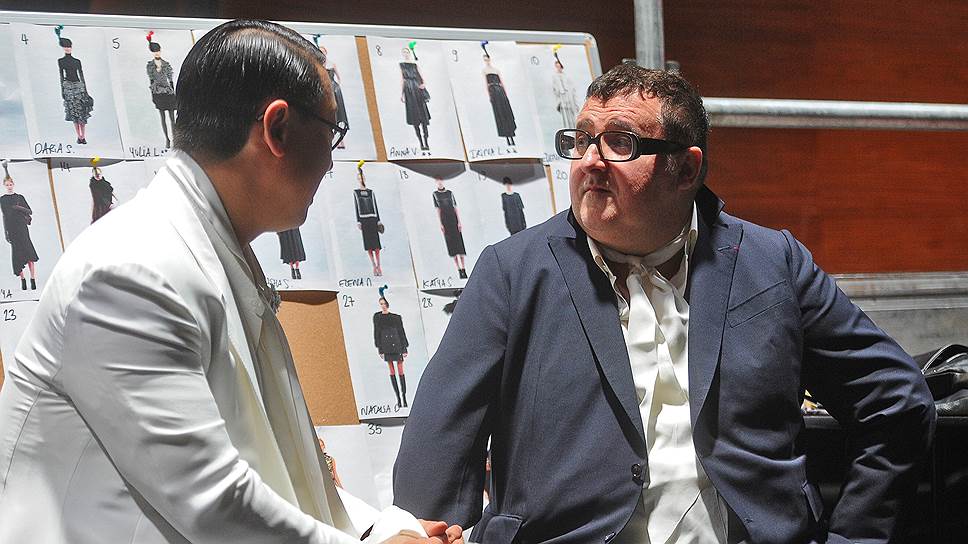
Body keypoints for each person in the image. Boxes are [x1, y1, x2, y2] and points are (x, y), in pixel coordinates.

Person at [393, 64, 935, 544]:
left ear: (685, 169)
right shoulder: (512, 272)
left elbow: (895, 400)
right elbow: (440, 445)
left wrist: (855, 537)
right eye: (581, 140)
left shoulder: (773, 263)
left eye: (619, 143)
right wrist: (425, 533)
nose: (590, 161)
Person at [0, 19, 460, 544]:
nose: (332, 160)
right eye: (331, 132)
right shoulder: (131, 269)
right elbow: (213, 501)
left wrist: (385, 531)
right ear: (277, 129)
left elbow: (283, 464)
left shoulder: (210, 248)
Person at [1, 161, 39, 291]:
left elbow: (30, 211)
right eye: (7, 185)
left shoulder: (20, 197)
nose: (9, 186)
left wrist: (17, 207)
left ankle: (33, 279)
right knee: (17, 256)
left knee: (29, 253)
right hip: (12, 230)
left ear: (13, 184)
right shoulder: (2, 199)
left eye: (11, 184)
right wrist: (6, 232)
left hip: (22, 228)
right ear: (4, 185)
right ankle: (23, 280)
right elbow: (4, 216)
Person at [146, 32, 177, 149]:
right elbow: (151, 80)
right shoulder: (150, 66)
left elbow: (171, 79)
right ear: (152, 52)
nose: (157, 53)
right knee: (163, 118)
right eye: (155, 51)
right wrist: (153, 95)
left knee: (172, 118)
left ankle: (175, 139)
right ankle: (167, 139)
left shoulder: (166, 64)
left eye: (158, 51)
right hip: (158, 93)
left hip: (168, 93)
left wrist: (173, 91)